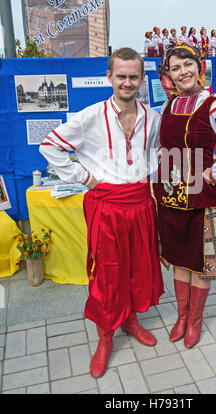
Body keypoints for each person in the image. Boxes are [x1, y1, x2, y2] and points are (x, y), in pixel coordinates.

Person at [39, 48, 164, 377]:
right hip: (106, 205)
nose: (127, 82)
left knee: (139, 268)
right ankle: (106, 336)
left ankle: (132, 321)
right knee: (108, 273)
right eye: (121, 75)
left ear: (141, 79)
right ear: (109, 76)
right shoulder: (90, 116)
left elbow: (162, 153)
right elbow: (48, 145)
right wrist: (82, 177)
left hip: (140, 204)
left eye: (133, 76)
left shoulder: (154, 117)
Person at [154, 42, 216, 349]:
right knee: (181, 258)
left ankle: (195, 320)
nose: (183, 72)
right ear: (168, 74)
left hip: (199, 195)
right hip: (170, 196)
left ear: (199, 66)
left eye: (188, 64)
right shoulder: (167, 106)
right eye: (176, 68)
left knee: (202, 260)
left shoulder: (214, 105)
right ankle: (180, 316)